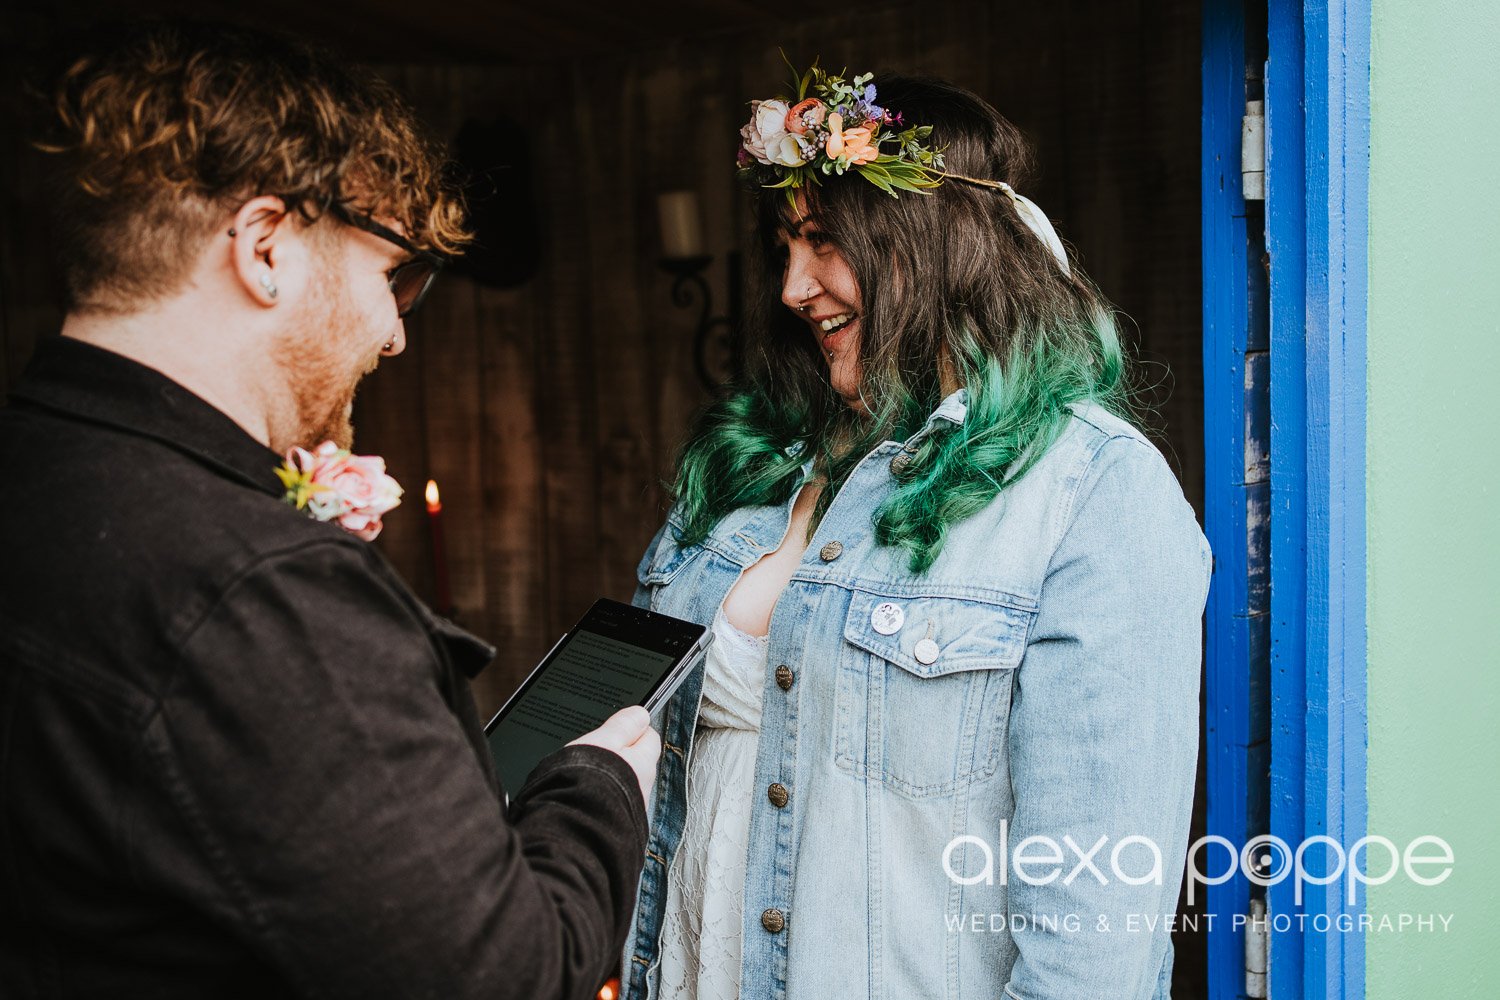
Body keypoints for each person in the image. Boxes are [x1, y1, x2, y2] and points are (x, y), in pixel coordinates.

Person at [0, 22, 658, 1000]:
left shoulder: (40, 466)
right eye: (391, 274)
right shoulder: (254, 587)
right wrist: (601, 784)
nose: (395, 334)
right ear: (266, 247)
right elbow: (509, 977)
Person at [619, 69, 1211, 1000]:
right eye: (784, 244)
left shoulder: (1089, 491)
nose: (791, 286)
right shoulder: (751, 466)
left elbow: (1094, 937)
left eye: (823, 242)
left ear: (935, 243)